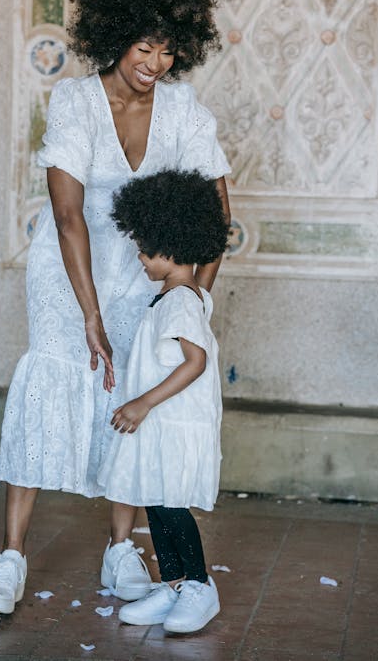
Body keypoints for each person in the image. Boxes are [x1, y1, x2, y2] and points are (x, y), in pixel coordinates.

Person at [0, 0, 230, 614]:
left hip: (145, 281)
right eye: (145, 47)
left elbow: (218, 208)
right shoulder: (75, 100)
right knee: (51, 389)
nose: (155, 64)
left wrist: (194, 291)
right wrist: (88, 313)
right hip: (69, 276)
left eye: (169, 50)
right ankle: (10, 557)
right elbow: (66, 215)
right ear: (117, 38)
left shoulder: (183, 110)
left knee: (130, 400)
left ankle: (121, 552)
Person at [98, 169, 229, 634]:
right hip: (162, 426)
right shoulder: (175, 294)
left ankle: (199, 585)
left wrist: (142, 404)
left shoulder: (179, 302)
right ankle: (173, 584)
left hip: (173, 423)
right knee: (155, 502)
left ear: (171, 247)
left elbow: (194, 363)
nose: (140, 258)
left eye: (145, 249)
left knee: (171, 506)